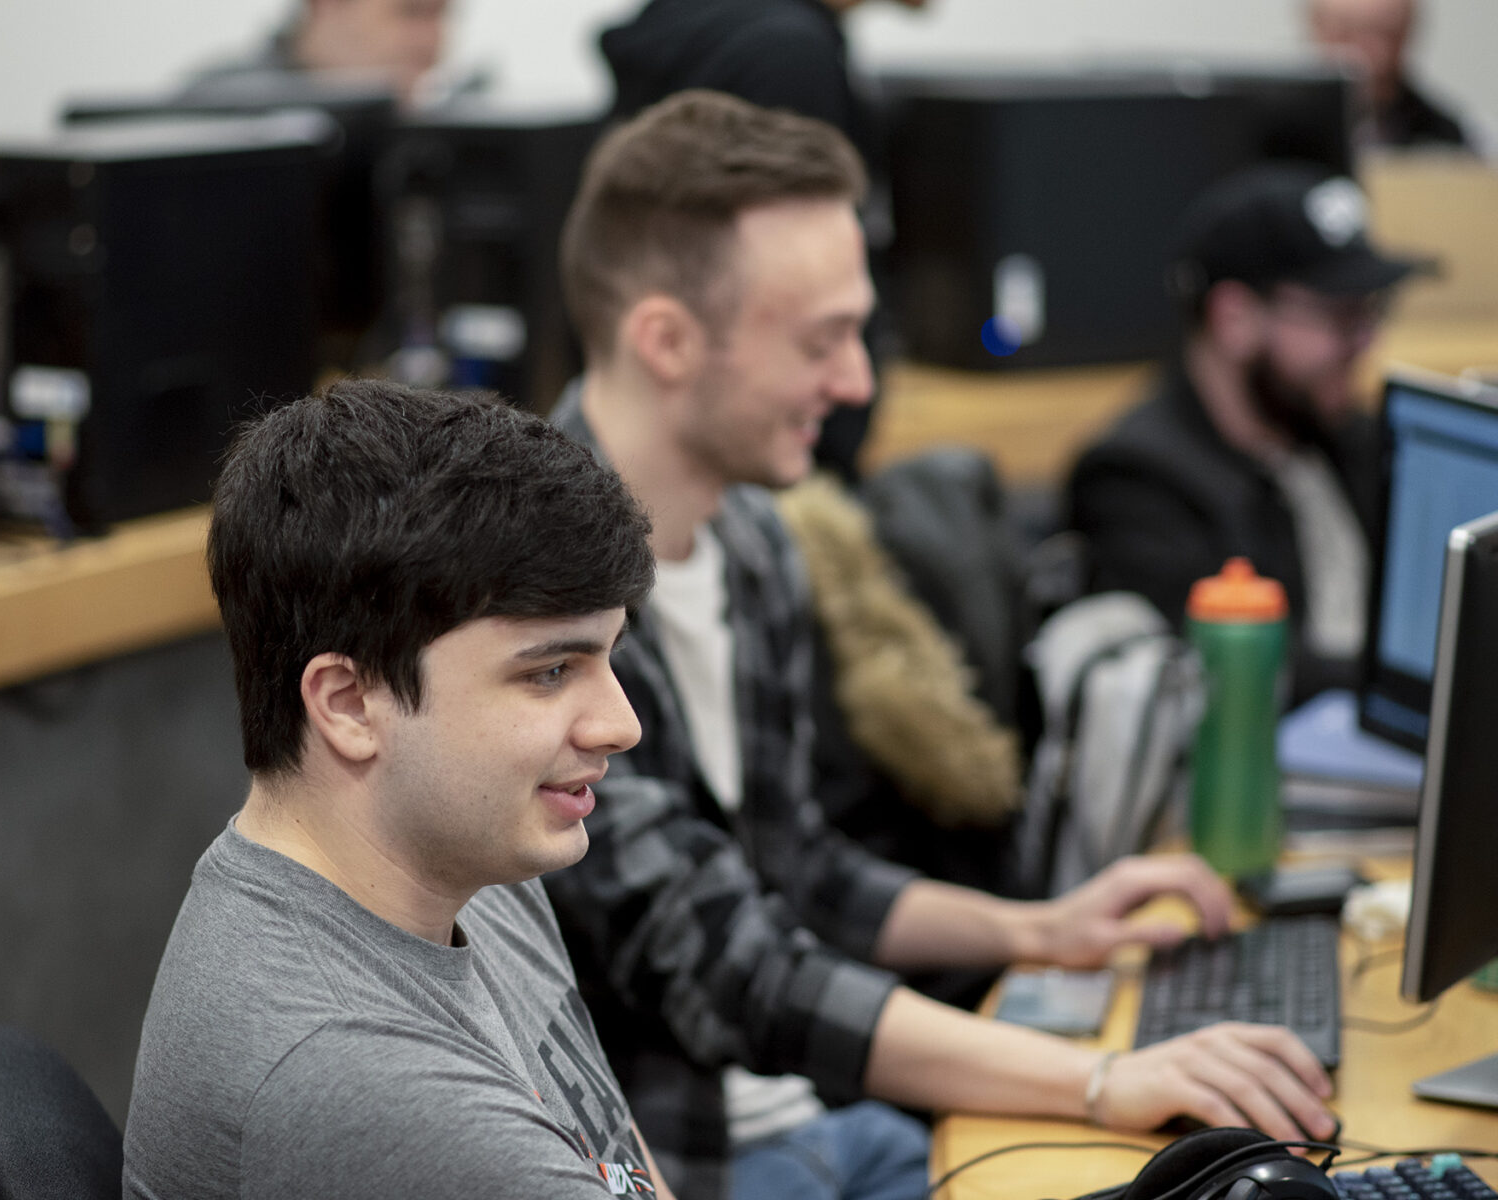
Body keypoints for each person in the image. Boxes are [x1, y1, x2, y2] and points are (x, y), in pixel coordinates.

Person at [548, 90, 1338, 1200]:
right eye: (821, 341)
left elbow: (798, 872)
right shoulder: (535, 604)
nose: (859, 384)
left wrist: (1043, 927)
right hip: (690, 1162)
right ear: (668, 341)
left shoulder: (756, 540)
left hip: (824, 1118)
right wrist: (1101, 1077)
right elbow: (737, 970)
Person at [122, 379, 673, 1200]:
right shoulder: (364, 1082)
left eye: (609, 657)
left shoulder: (466, 870)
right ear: (349, 704)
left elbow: (623, 1170)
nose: (620, 725)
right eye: (551, 672)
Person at [1068, 162, 1425, 705]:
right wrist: (1413, 683)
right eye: (1338, 317)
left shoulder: (1343, 435)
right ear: (1234, 319)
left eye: (1370, 314)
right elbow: (1228, 677)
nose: (1364, 344)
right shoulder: (1136, 483)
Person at [598, 0, 930, 482]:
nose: (853, 384)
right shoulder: (786, 58)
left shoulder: (709, 32)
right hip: (771, 463)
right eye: (825, 342)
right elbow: (798, 281)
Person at [190, 0, 453, 107]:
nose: (432, 39)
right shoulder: (210, 112)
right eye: (412, 13)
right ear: (326, 6)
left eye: (441, 15)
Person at [1306, 0, 1475, 151]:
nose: (1372, 52)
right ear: (1317, 27)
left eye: (1385, 34)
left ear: (1407, 32)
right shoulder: (1286, 129)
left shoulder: (1445, 136)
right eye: (1348, 33)